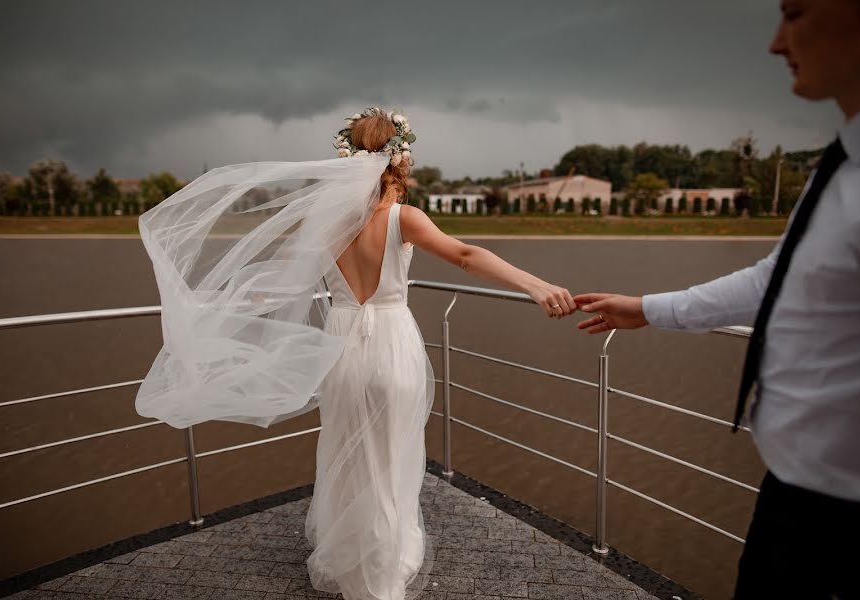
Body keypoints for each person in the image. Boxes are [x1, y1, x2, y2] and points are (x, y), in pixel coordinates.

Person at [136, 106, 575, 600]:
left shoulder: (325, 223)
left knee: (347, 457)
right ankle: (382, 580)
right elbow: (466, 256)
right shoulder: (404, 218)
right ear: (400, 161)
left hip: (341, 347)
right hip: (391, 343)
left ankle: (351, 567)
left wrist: (213, 307)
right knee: (390, 461)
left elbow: (271, 285)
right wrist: (535, 285)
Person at [573, 1, 860, 597]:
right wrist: (646, 308)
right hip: (794, 498)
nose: (776, 43)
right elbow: (772, 281)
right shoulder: (839, 167)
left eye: (797, 11)